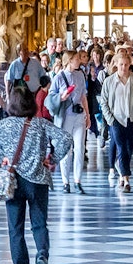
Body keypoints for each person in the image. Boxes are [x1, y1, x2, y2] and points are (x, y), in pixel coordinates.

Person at [0, 87, 72, 264]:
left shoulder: (3, 125)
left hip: (13, 180)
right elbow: (66, 138)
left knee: (15, 228)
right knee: (39, 224)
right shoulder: (41, 124)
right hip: (38, 180)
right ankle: (42, 254)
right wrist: (52, 159)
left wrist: (0, 159)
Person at [99, 50, 133, 192]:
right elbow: (104, 102)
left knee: (129, 148)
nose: (123, 68)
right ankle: (126, 179)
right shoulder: (109, 81)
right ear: (116, 65)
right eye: (121, 65)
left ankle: (121, 174)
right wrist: (110, 119)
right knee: (121, 147)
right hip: (116, 119)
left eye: (126, 65)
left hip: (132, 119)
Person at [47, 51, 90, 194]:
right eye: (77, 59)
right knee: (67, 150)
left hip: (79, 115)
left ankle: (78, 180)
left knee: (79, 148)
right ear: (69, 61)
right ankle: (66, 181)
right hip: (66, 116)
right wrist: (62, 96)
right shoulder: (59, 77)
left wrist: (88, 115)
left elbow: (83, 96)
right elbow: (51, 97)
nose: (79, 61)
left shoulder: (80, 75)